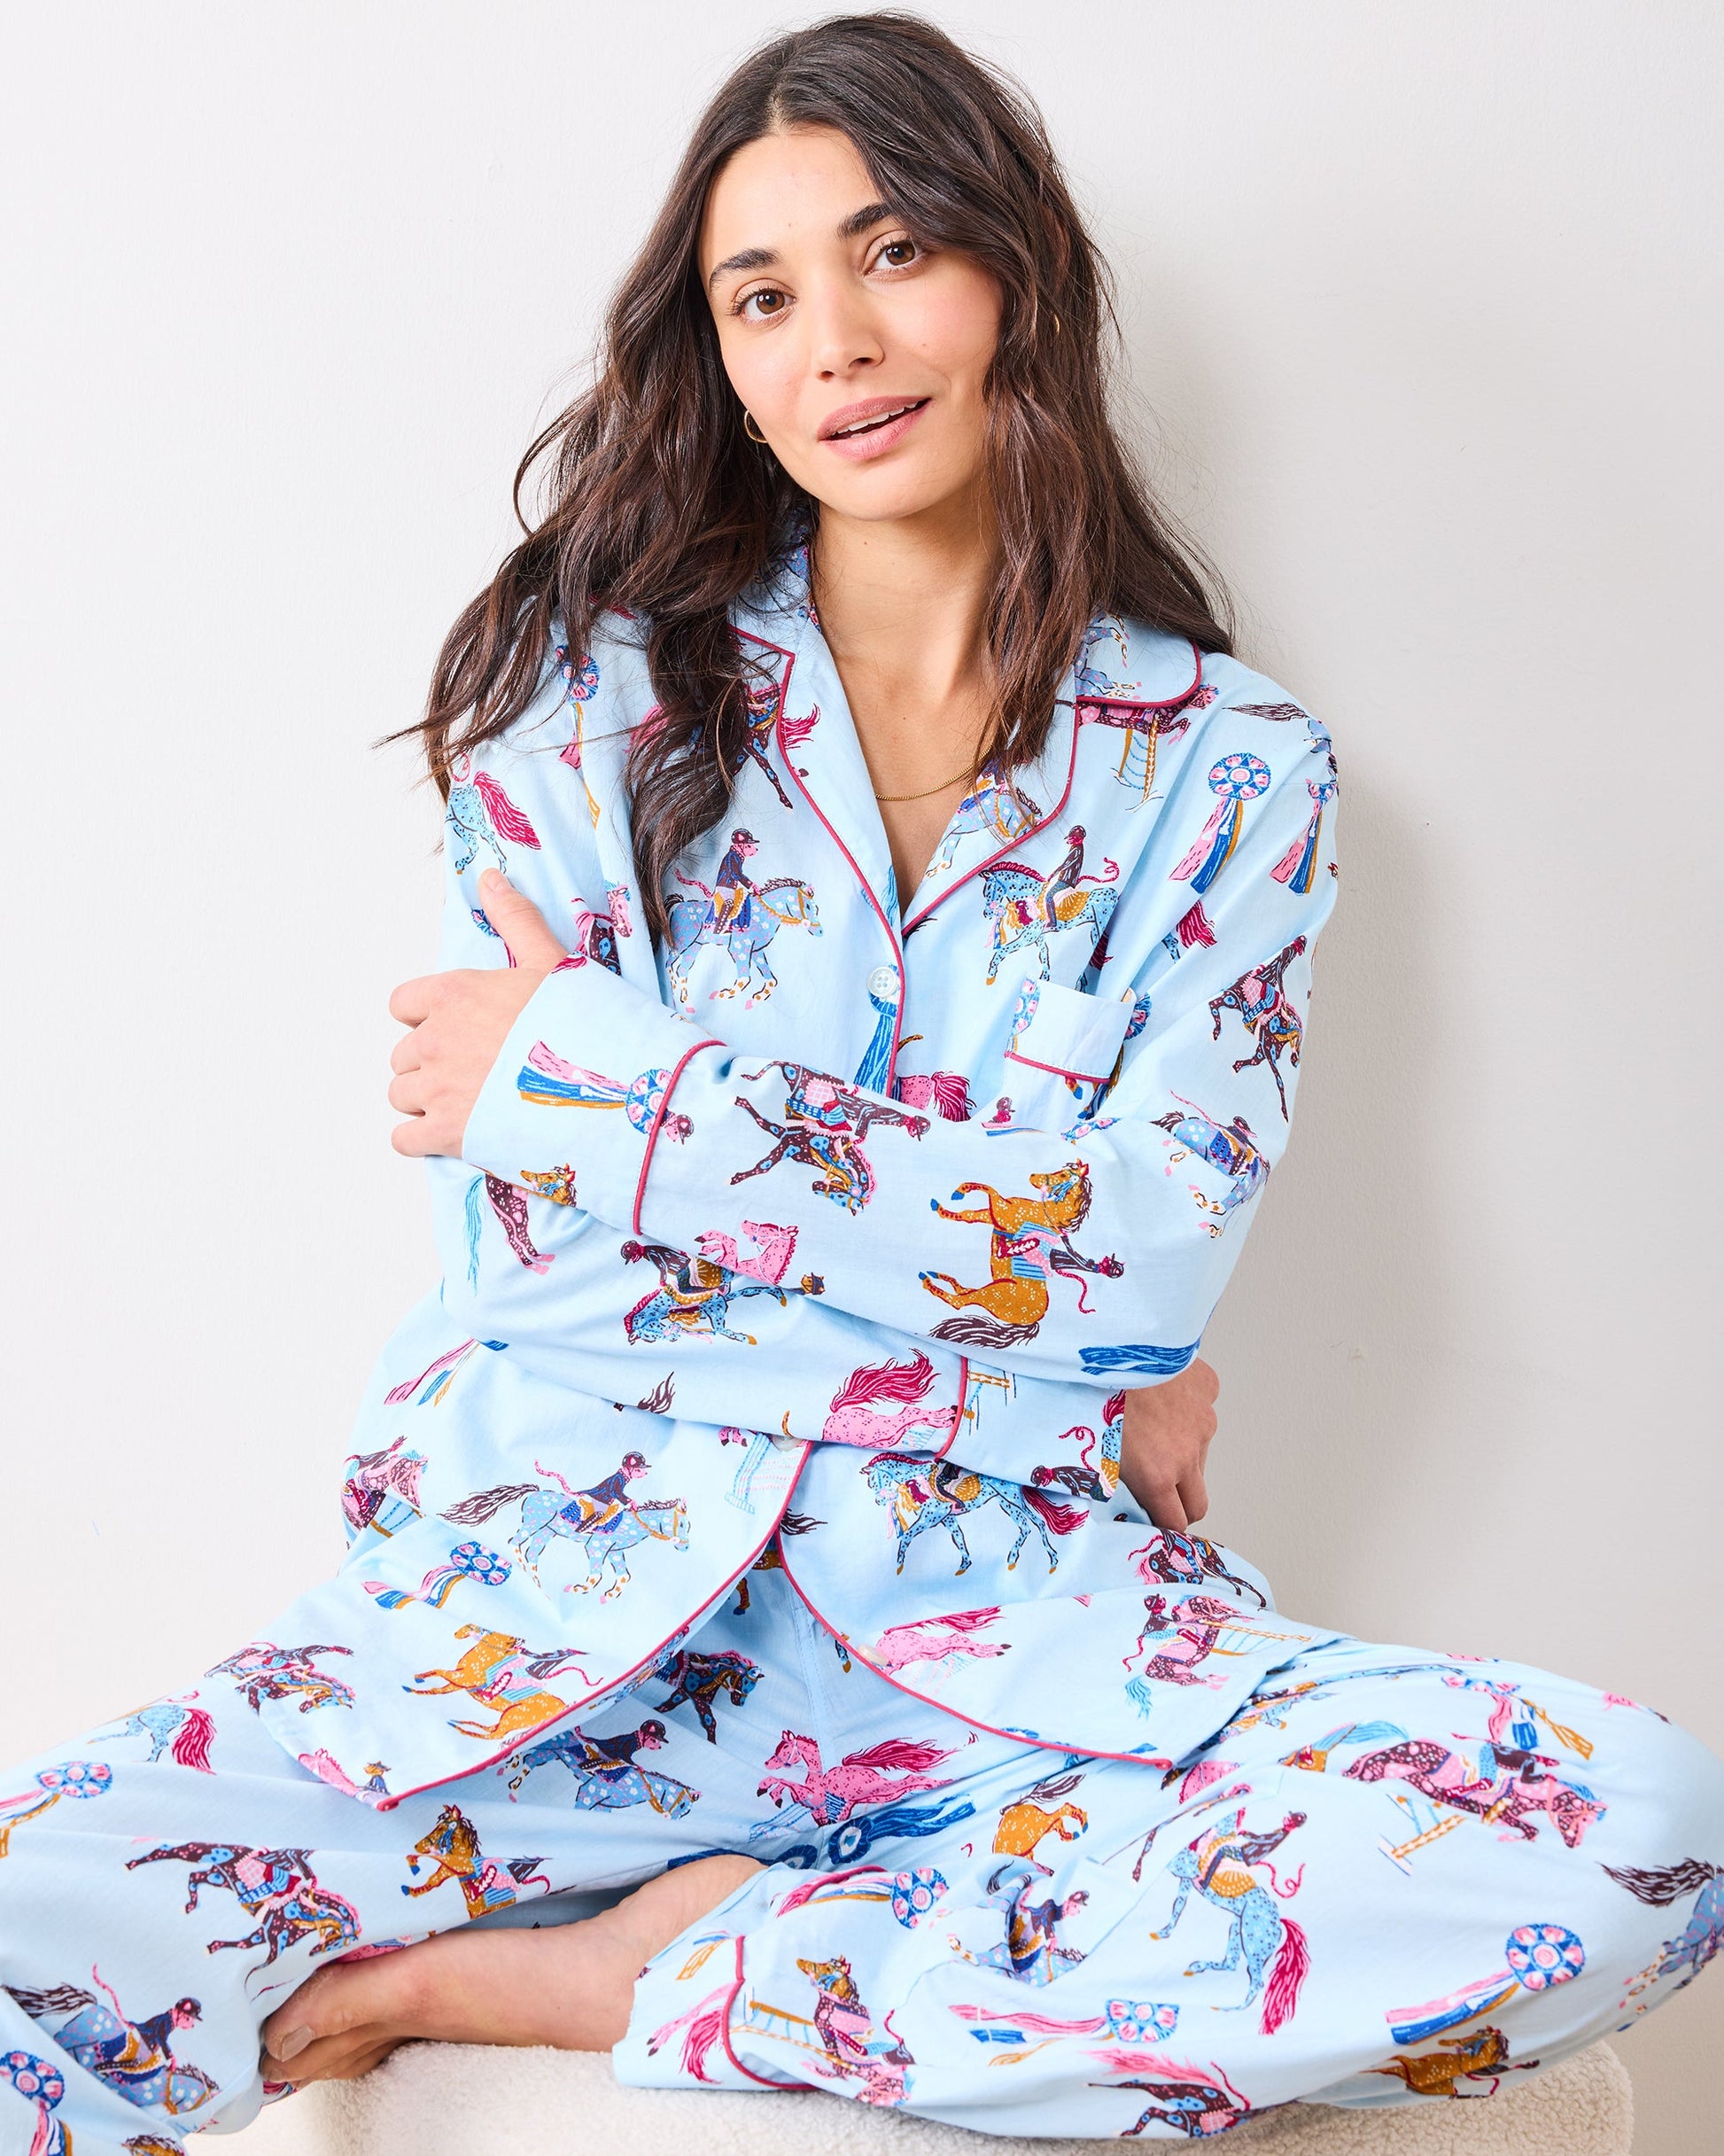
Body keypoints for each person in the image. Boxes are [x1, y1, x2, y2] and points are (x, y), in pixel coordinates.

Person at [3, 13, 1720, 2152]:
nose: (836, 339)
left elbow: (1146, 1257)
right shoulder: (579, 710)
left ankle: (696, 1967)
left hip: (1022, 1662)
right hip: (538, 1644)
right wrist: (1045, 1344)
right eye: (762, 294)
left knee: (1637, 1826)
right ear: (720, 356)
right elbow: (562, 1288)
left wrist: (598, 1085)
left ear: (1016, 268)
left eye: (894, 250)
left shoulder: (1228, 771)